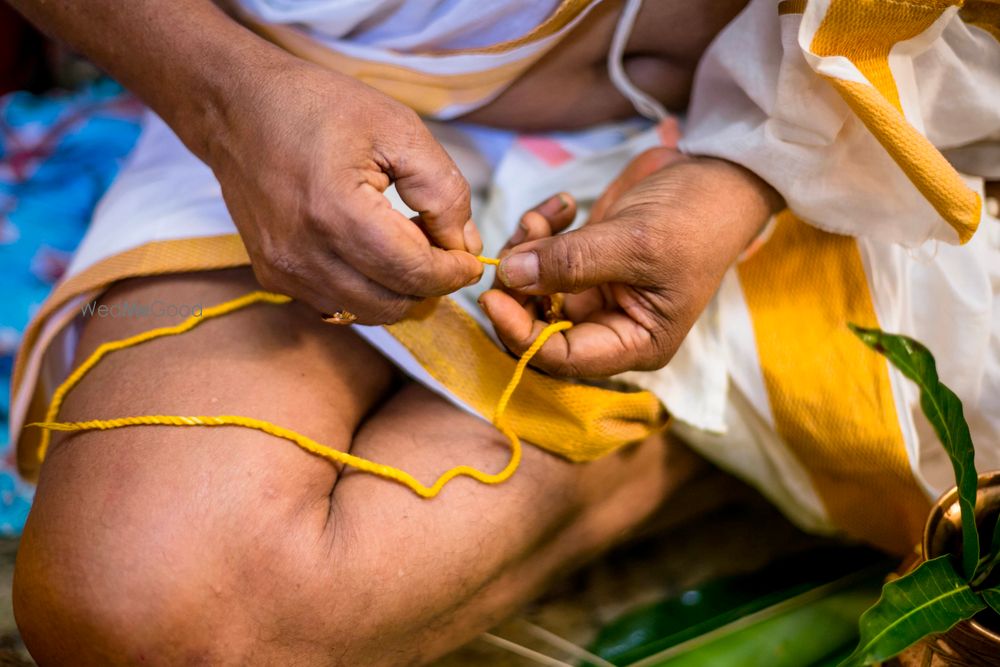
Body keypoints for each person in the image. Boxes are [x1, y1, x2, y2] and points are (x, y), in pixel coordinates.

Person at [6, 0, 1000, 664]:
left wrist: (736, 176)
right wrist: (224, 101)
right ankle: (739, 411)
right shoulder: (248, 102)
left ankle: (694, 420)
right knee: (138, 600)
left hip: (837, 127)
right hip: (287, 102)